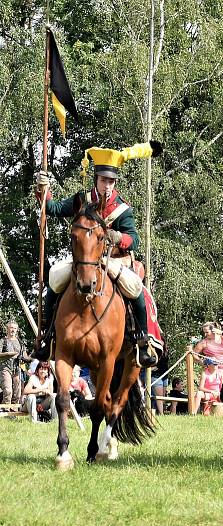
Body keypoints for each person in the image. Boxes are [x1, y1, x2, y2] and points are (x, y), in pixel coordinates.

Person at [33, 141, 164, 367]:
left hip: (111, 260)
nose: (108, 186)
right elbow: (53, 208)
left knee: (134, 287)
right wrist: (43, 190)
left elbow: (135, 239)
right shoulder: (83, 199)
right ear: (96, 179)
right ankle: (47, 335)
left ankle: (143, 340)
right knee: (54, 276)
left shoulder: (122, 208)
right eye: (104, 180)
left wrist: (117, 237)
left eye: (111, 181)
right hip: (83, 260)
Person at [1, 320, 28, 405]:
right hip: (5, 368)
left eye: (15, 328)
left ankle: (13, 411)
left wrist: (31, 357)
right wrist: (9, 354)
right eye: (11, 328)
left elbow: (25, 356)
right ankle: (5, 410)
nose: (13, 330)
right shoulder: (3, 341)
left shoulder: (20, 342)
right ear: (7, 329)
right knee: (8, 390)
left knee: (17, 392)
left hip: (17, 369)